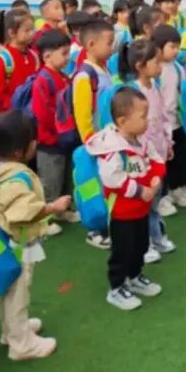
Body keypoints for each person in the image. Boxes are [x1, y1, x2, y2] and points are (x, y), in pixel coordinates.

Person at [0, 110, 67, 360]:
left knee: (9, 289)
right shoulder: (15, 177)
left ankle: (11, 330)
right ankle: (21, 344)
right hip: (14, 243)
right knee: (18, 289)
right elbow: (22, 213)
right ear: (22, 150)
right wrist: (54, 207)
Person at [85, 88, 165, 311]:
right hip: (122, 212)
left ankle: (135, 275)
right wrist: (141, 191)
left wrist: (157, 176)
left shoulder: (141, 141)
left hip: (141, 209)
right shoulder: (113, 148)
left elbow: (156, 159)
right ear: (122, 120)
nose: (147, 121)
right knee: (122, 250)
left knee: (140, 245)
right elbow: (112, 178)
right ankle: (117, 287)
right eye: (142, 116)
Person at [117, 40, 175, 260]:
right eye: (156, 62)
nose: (160, 66)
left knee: (155, 201)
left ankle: (156, 236)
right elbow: (133, 130)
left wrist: (168, 143)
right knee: (143, 203)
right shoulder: (134, 94)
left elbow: (162, 119)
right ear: (140, 65)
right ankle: (144, 245)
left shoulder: (155, 87)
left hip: (157, 155)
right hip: (142, 159)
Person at [71, 20, 115, 249]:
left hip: (109, 141)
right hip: (96, 144)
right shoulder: (84, 76)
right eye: (109, 43)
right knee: (92, 188)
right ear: (91, 44)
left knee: (107, 186)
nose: (112, 47)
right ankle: (93, 230)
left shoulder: (105, 69)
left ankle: (106, 224)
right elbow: (83, 117)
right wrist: (92, 143)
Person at [31, 30, 76, 233]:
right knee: (50, 179)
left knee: (65, 176)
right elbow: (43, 113)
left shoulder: (63, 77)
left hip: (64, 140)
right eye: (64, 53)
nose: (68, 58)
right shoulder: (43, 79)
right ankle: (45, 217)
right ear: (47, 56)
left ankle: (63, 209)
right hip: (49, 142)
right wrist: (59, 132)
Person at [152, 25, 186, 209]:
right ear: (158, 47)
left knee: (179, 158)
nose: (177, 50)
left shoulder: (177, 68)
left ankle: (177, 188)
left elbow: (183, 92)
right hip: (158, 127)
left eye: (178, 46)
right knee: (161, 161)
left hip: (177, 123)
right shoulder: (154, 68)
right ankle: (162, 194)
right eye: (172, 46)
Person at [0, 8, 39, 114]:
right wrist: (16, 110)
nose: (32, 33)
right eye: (27, 30)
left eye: (33, 29)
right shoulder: (3, 60)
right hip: (9, 117)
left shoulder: (34, 56)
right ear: (12, 33)